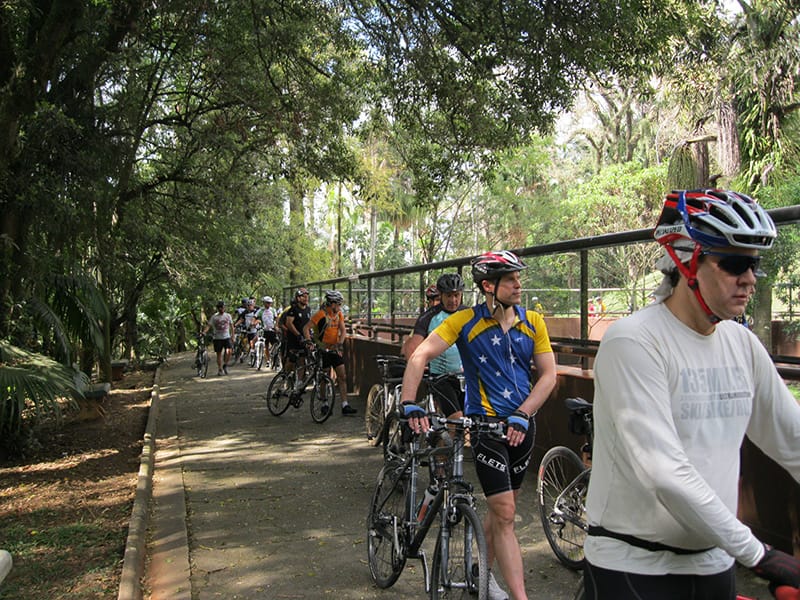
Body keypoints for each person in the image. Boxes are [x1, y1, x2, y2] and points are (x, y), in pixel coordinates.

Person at [583, 189, 800, 599]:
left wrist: (746, 552)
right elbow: (666, 473)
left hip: (714, 562)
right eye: (733, 263)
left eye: (753, 264)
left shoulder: (742, 344)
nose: (749, 278)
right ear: (686, 263)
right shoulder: (634, 341)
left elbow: (793, 439)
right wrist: (761, 554)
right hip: (634, 566)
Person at [400, 250, 557, 600]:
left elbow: (549, 376)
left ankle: (480, 572)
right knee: (506, 512)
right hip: (486, 427)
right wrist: (409, 402)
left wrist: (524, 412)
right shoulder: (466, 321)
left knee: (502, 512)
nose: (518, 285)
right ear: (488, 286)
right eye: (510, 280)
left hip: (522, 427)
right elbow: (420, 355)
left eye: (518, 279)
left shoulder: (534, 322)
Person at [402, 272, 467, 420]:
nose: (453, 300)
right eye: (448, 296)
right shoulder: (429, 316)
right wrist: (419, 367)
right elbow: (413, 348)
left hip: (465, 377)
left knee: (472, 419)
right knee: (456, 419)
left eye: (456, 295)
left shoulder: (468, 313)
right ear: (441, 295)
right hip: (440, 377)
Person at [302, 290, 357, 415]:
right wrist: (309, 341)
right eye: (338, 304)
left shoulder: (339, 315)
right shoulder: (320, 314)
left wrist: (340, 343)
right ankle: (324, 403)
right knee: (324, 376)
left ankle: (345, 405)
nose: (339, 307)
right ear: (331, 303)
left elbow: (343, 330)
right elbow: (306, 328)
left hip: (334, 349)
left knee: (342, 376)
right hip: (322, 349)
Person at [282, 287, 312, 377]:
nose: (306, 298)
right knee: (292, 359)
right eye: (303, 296)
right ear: (298, 298)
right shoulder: (293, 309)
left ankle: (299, 382)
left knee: (302, 360)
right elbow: (289, 323)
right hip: (294, 339)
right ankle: (286, 375)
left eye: (307, 296)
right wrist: (298, 334)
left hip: (304, 338)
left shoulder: (308, 309)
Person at [205, 300, 233, 376]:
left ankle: (225, 364)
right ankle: (220, 369)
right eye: (220, 307)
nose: (221, 309)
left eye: (223, 307)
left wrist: (232, 335)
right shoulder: (214, 317)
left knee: (229, 351)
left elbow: (231, 326)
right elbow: (209, 325)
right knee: (219, 354)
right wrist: (204, 332)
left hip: (226, 337)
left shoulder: (228, 316)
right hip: (217, 338)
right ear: (218, 308)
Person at [234, 298, 260, 362]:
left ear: (253, 305)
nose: (249, 307)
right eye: (248, 305)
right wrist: (235, 325)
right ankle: (244, 353)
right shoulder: (245, 312)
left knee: (252, 343)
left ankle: (253, 357)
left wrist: (254, 323)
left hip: (254, 330)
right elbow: (241, 319)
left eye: (250, 305)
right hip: (247, 330)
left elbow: (259, 320)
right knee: (244, 341)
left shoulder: (256, 312)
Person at [257, 296, 278, 364]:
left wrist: (276, 326)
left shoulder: (273, 310)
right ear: (264, 303)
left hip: (272, 330)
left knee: (275, 344)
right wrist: (253, 323)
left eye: (270, 303)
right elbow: (255, 317)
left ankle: (276, 359)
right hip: (264, 330)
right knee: (266, 345)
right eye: (267, 303)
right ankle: (268, 360)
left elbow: (276, 319)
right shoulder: (260, 310)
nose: (269, 304)